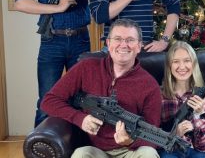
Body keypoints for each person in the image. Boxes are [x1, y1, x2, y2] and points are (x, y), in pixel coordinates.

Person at [41, 18, 161, 158]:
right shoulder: (86, 68)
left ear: (139, 46)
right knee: (80, 155)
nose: (123, 45)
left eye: (130, 40)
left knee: (149, 154)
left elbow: (154, 134)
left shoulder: (149, 85)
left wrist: (130, 141)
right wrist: (80, 118)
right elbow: (49, 101)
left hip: (131, 151)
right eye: (117, 39)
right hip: (96, 150)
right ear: (108, 43)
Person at [160, 41, 205, 158]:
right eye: (176, 62)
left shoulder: (204, 97)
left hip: (194, 150)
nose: (182, 67)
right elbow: (152, 135)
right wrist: (175, 133)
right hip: (169, 150)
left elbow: (203, 147)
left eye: (187, 61)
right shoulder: (159, 95)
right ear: (169, 66)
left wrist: (199, 117)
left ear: (193, 64)